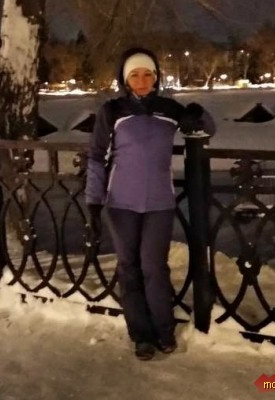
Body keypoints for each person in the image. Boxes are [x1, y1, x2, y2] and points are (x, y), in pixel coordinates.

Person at [85, 47, 216, 361]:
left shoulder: (168, 109)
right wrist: (93, 202)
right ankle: (141, 335)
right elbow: (97, 157)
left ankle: (164, 330)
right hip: (120, 204)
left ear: (156, 77)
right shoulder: (112, 111)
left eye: (148, 74)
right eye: (135, 75)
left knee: (154, 267)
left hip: (159, 203)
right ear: (125, 79)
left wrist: (197, 112)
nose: (142, 81)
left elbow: (207, 129)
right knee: (129, 268)